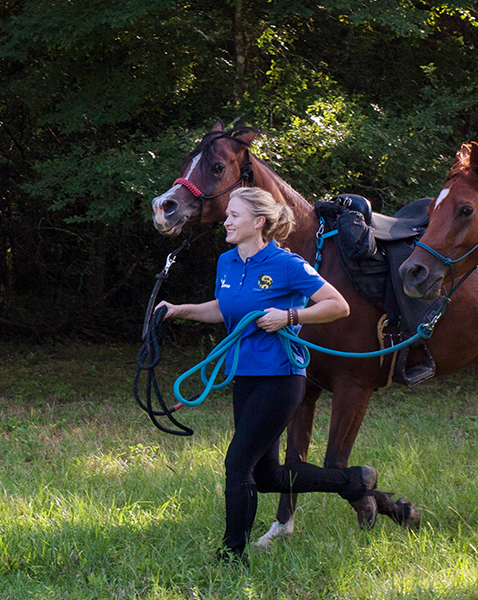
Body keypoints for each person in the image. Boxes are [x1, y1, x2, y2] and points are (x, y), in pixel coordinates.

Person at [158, 187, 377, 563]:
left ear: (258, 222)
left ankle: (232, 554)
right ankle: (352, 481)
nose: (226, 222)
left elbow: (337, 306)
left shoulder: (287, 264)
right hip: (244, 375)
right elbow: (225, 308)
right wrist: (178, 310)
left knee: (237, 463)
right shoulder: (227, 262)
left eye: (234, 216)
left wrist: (289, 316)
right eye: (227, 215)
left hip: (280, 377)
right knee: (267, 475)